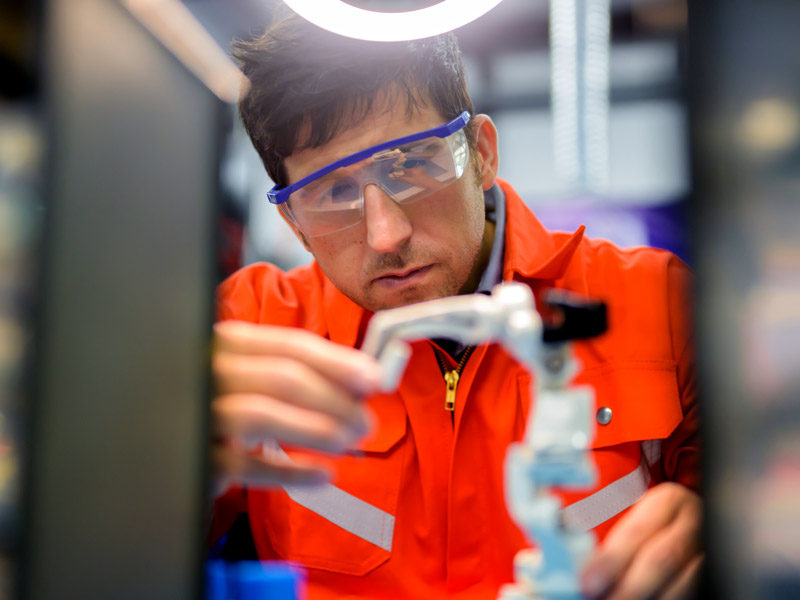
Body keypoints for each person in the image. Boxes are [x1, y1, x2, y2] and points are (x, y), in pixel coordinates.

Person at [210, 11, 701, 600]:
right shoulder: (253, 328)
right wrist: (155, 467)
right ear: (292, 223)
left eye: (411, 165)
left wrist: (725, 533)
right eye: (333, 194)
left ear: (483, 153)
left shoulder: (663, 308)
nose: (386, 235)